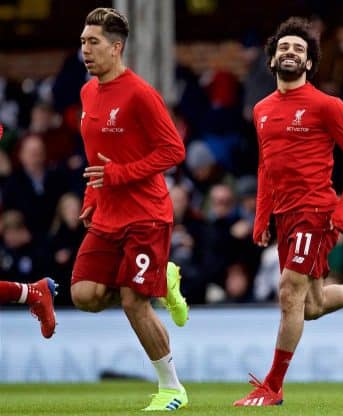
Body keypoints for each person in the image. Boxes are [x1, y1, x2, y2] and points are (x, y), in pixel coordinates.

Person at [234, 17, 343, 407]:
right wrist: (263, 217)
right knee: (309, 306)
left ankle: (272, 387)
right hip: (284, 216)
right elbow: (266, 166)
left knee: (288, 292)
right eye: (284, 48)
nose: (290, 53)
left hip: (316, 211)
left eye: (299, 49)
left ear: (310, 63)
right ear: (273, 59)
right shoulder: (261, 110)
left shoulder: (327, 105)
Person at [71, 8, 188, 411]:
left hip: (147, 215)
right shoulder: (87, 93)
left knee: (133, 301)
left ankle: (172, 388)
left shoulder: (140, 93)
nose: (85, 50)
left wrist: (120, 175)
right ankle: (163, 278)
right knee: (84, 294)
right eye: (83, 42)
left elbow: (174, 150)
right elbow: (95, 157)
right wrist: (91, 198)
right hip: (106, 214)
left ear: (116, 47)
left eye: (94, 42)